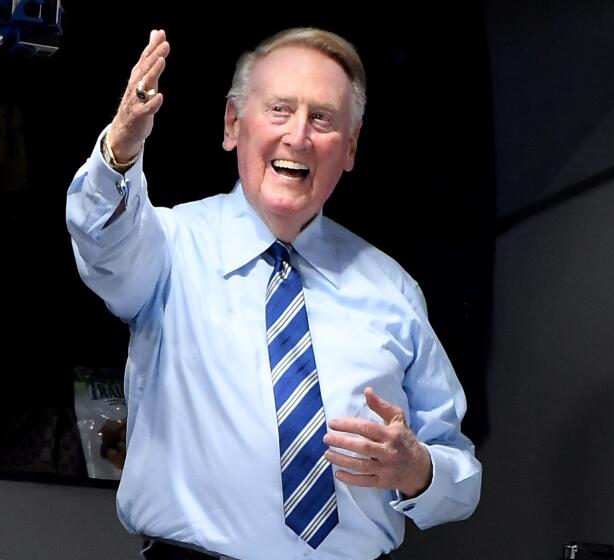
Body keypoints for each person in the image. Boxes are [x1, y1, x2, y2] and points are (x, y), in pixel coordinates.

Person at [66, 27, 481, 560]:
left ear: (350, 148)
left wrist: (417, 470)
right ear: (233, 124)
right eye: (280, 110)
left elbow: (463, 478)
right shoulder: (169, 246)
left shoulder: (393, 291)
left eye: (323, 119)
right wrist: (119, 152)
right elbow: (102, 240)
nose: (299, 136)